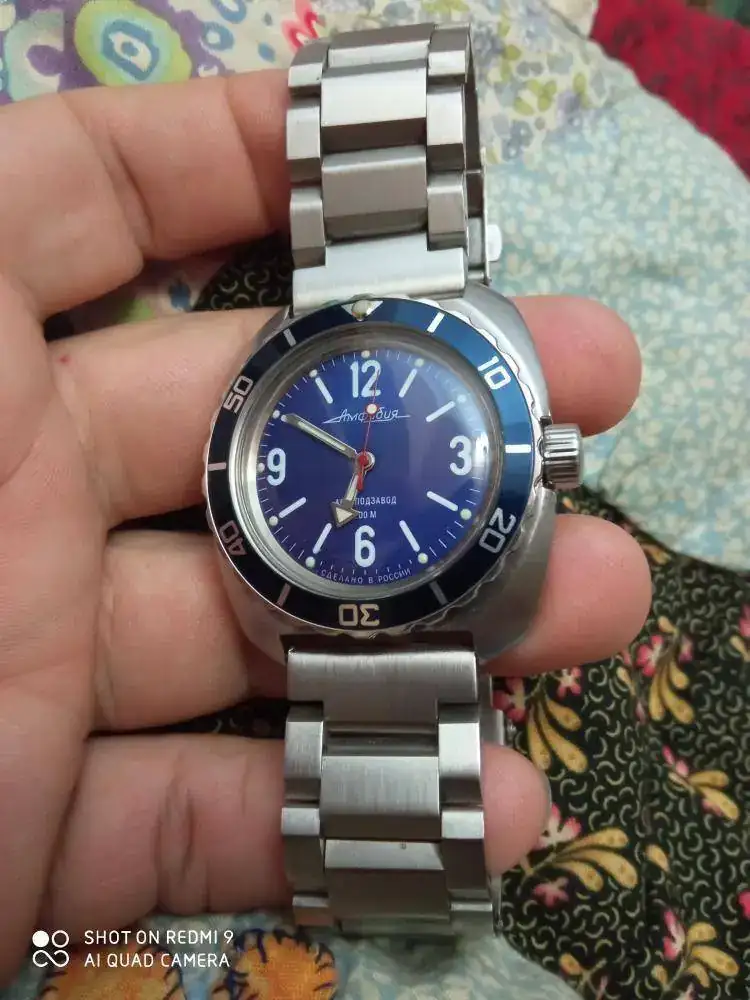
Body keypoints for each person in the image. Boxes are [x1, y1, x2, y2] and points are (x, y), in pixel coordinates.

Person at [0, 69, 651, 984]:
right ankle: (396, 893)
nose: (364, 465)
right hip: (311, 603)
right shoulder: (288, 402)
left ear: (549, 453)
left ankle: (403, 891)